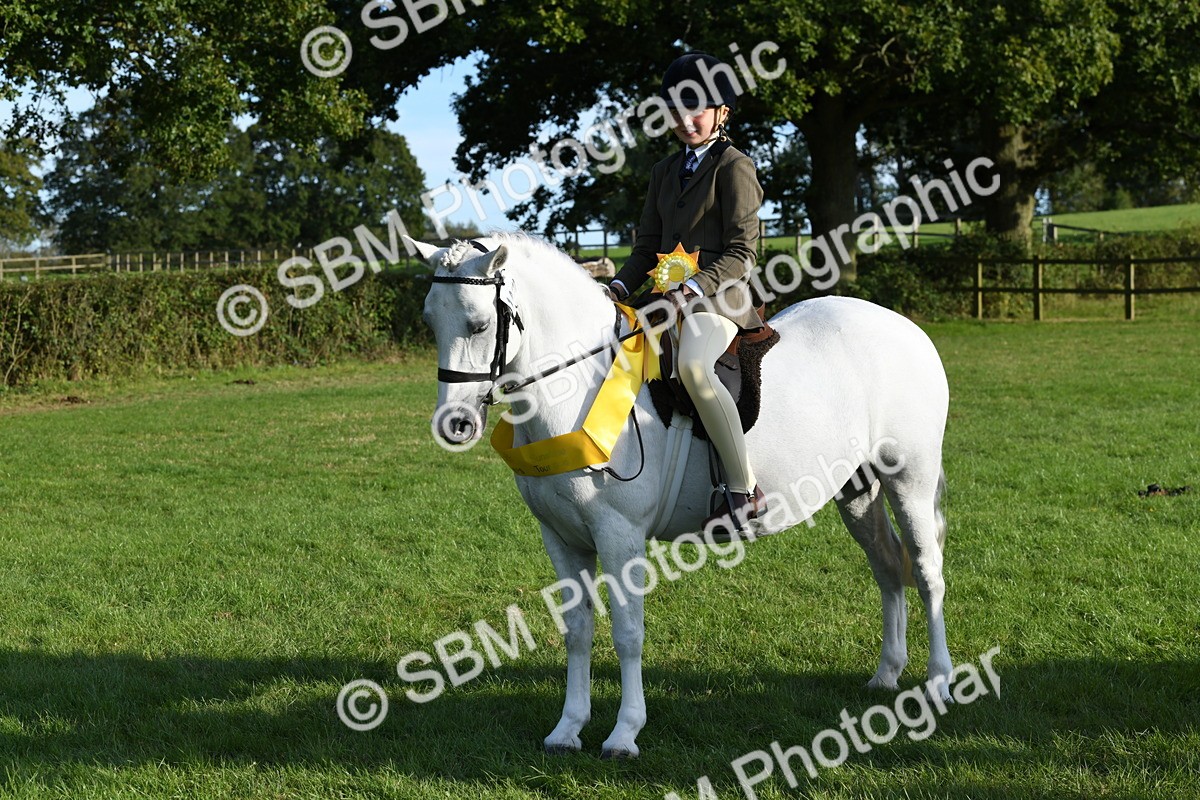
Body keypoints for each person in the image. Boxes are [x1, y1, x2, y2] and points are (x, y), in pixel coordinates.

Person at [606, 52, 767, 533]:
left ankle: (743, 489)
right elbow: (647, 248)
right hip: (660, 300)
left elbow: (744, 252)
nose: (685, 119)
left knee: (693, 367)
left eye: (697, 108)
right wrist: (616, 286)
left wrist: (693, 288)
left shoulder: (735, 167)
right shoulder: (661, 171)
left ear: (723, 112)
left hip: (719, 300)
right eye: (676, 110)